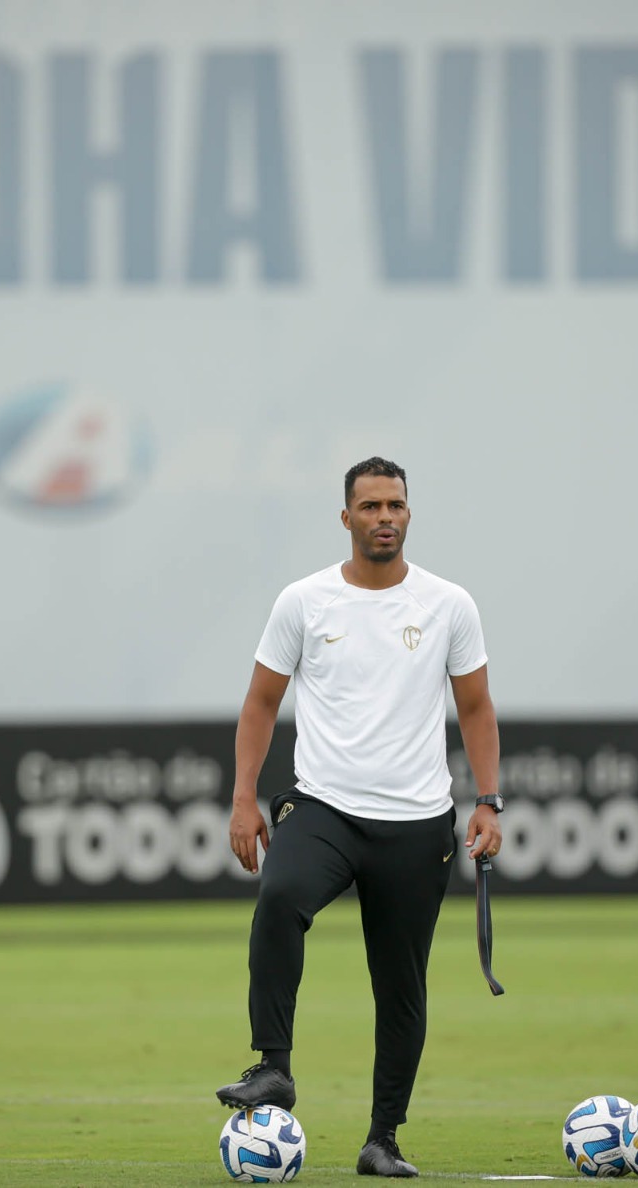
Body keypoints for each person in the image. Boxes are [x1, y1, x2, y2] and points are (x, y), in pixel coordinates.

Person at [215, 456, 504, 1179]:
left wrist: (489, 800)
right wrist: (244, 797)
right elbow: (260, 702)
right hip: (325, 808)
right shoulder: (304, 601)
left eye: (395, 505)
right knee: (280, 897)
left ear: (409, 513)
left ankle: (383, 1139)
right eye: (370, 506)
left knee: (400, 987)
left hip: (417, 822)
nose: (384, 518)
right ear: (346, 517)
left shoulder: (448, 604)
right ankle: (273, 1066)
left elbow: (475, 707)